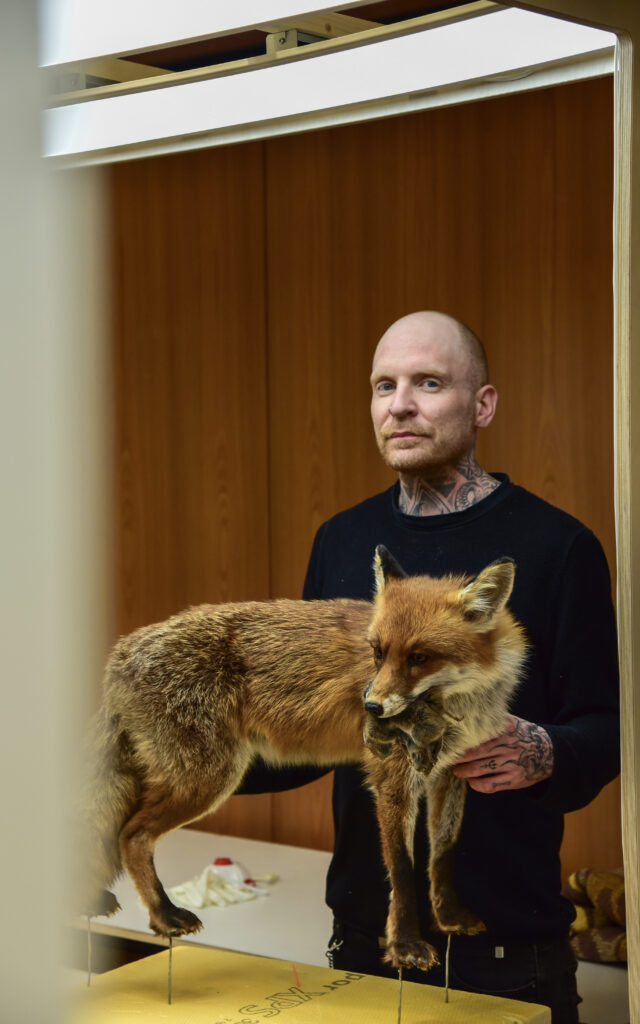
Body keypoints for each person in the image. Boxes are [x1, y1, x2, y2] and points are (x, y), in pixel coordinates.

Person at [243, 311, 620, 1024]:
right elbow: (314, 731)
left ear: (482, 405)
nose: (400, 404)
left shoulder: (558, 546)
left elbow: (607, 727)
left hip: (509, 956)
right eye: (384, 385)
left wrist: (542, 751)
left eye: (428, 382)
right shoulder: (341, 540)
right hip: (369, 944)